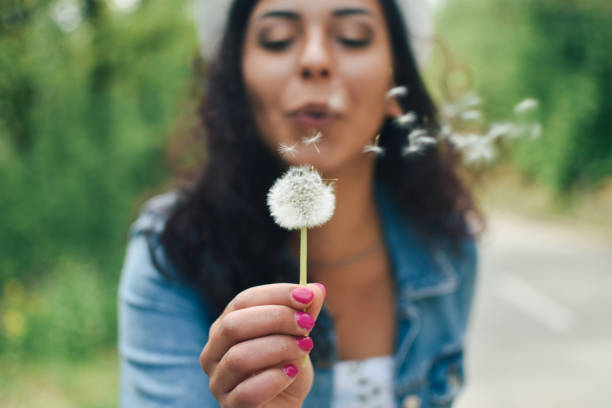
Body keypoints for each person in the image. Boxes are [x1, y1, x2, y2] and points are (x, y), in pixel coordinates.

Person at [118, 0, 482, 407]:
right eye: (277, 40)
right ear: (237, 79)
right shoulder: (173, 251)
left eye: (352, 37)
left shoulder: (448, 249)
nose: (314, 60)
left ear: (396, 87)